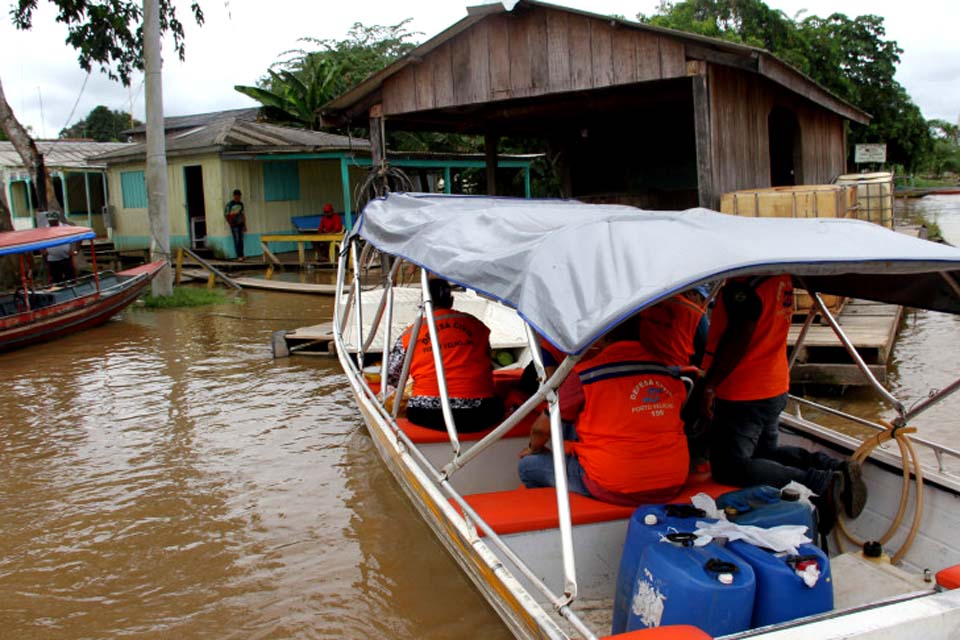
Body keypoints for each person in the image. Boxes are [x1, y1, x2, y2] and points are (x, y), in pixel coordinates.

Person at [696, 274, 867, 533]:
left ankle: (822, 483)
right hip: (774, 384)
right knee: (764, 454)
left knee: (730, 468)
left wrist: (708, 386)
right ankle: (831, 465)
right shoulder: (780, 279)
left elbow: (739, 336)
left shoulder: (743, 286)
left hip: (743, 391)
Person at [518, 320, 689, 506]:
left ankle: (557, 516)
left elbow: (541, 430)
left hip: (612, 484)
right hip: (673, 481)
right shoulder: (669, 374)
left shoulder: (584, 374)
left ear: (602, 335)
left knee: (528, 466)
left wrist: (534, 449)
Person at [386, 278, 503, 432]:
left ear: (423, 302)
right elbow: (487, 362)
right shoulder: (477, 325)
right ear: (451, 300)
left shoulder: (410, 334)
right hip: (480, 413)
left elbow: (391, 376)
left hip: (425, 413)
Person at [43, 216, 77, 283]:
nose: (52, 222)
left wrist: (76, 250)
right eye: (50, 221)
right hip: (52, 260)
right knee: (56, 280)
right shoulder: (45, 229)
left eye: (53, 221)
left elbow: (79, 236)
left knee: (71, 279)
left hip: (66, 258)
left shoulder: (66, 227)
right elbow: (39, 241)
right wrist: (42, 250)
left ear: (57, 220)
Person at [224, 189, 246, 261]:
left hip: (240, 224)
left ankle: (242, 255)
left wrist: (245, 225)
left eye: (239, 196)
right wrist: (230, 223)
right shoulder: (230, 204)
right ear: (234, 196)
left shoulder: (241, 204)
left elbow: (243, 214)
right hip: (234, 225)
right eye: (236, 196)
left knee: (241, 240)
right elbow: (226, 214)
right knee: (237, 239)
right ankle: (239, 256)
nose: (238, 198)